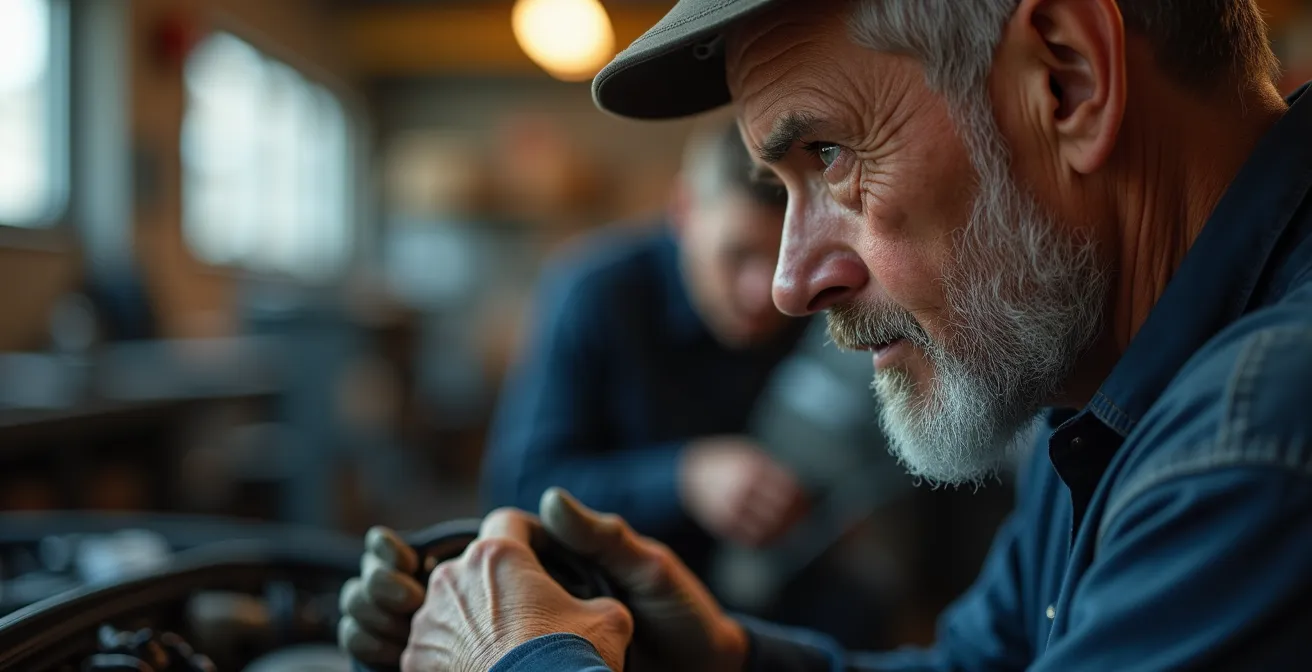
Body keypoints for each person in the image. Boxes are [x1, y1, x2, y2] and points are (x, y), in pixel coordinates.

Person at [341, 0, 1312, 669]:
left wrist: (530, 664)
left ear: (1066, 78)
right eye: (781, 186)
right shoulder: (1104, 384)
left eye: (831, 154)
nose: (790, 284)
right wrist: (725, 657)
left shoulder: (1256, 436)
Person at [478, 121, 813, 587]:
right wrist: (683, 478)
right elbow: (518, 491)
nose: (767, 292)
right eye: (738, 255)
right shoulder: (594, 293)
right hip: (606, 592)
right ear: (684, 209)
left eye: (785, 256)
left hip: (771, 583)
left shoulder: (814, 294)